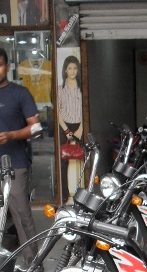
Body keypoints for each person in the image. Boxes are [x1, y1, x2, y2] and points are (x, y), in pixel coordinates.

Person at [0, 48, 42, 269]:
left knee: (21, 215)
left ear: (7, 66)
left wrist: (13, 135)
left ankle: (34, 262)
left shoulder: (20, 93)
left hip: (16, 164)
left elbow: (37, 127)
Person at [57, 55, 82, 203]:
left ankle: (83, 193)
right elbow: (59, 112)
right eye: (69, 68)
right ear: (65, 70)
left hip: (79, 125)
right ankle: (65, 194)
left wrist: (81, 129)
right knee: (63, 160)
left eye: (75, 68)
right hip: (64, 125)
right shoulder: (61, 89)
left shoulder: (81, 88)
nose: (72, 71)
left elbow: (85, 110)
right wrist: (66, 131)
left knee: (84, 157)